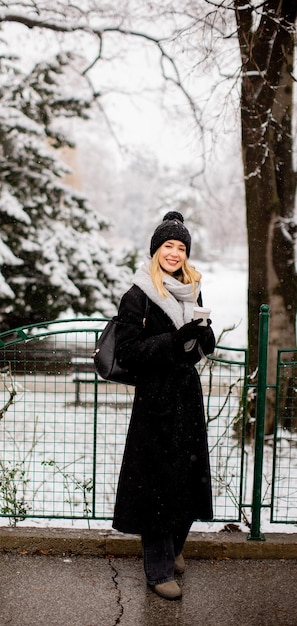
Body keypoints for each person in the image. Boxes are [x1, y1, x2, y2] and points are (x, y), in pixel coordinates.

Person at [112, 211, 215, 601]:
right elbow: (127, 351)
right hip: (155, 400)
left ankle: (174, 546)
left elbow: (192, 351)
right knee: (156, 485)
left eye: (182, 247)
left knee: (188, 479)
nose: (175, 253)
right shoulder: (138, 295)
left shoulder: (192, 291)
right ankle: (157, 569)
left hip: (186, 397)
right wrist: (173, 342)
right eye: (169, 246)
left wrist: (203, 340)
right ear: (156, 250)